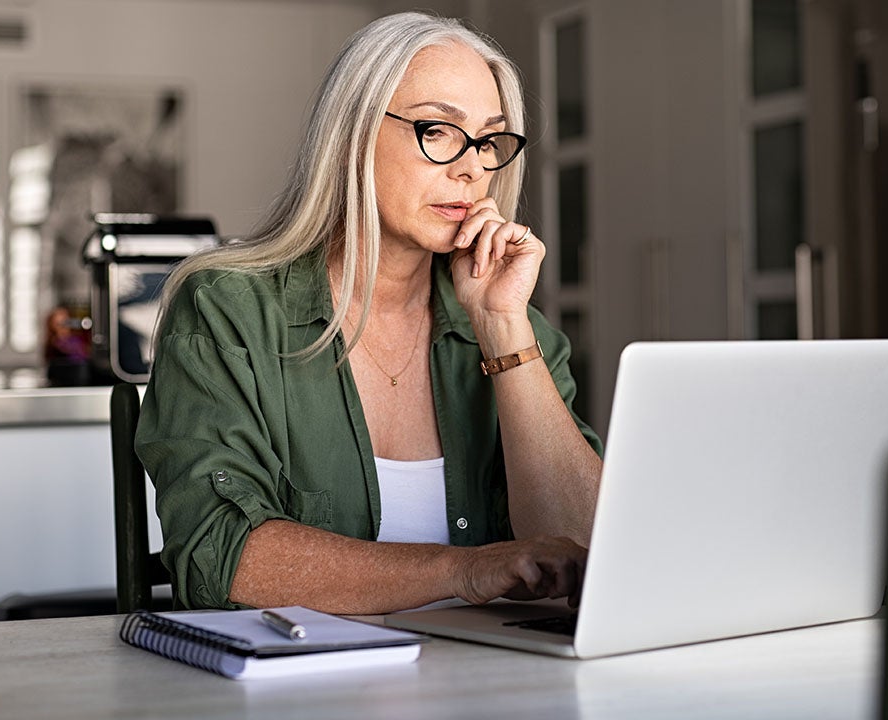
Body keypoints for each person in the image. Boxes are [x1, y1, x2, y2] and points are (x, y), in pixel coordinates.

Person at [136, 12, 603, 615]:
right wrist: (465, 569)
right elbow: (221, 560)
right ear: (353, 133)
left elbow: (591, 554)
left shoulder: (517, 331)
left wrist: (502, 329)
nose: (473, 168)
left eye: (489, 140)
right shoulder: (228, 311)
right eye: (438, 129)